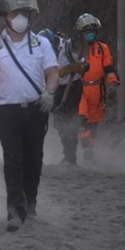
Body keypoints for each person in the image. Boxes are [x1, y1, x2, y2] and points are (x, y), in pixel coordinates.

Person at [0, 0, 59, 232]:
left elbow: (53, 73)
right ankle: (15, 210)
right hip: (7, 113)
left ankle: (30, 201)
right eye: (15, 12)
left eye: (24, 12)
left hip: (36, 110)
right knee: (13, 161)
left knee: (34, 160)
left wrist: (50, 92)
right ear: (5, 16)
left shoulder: (41, 43)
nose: (20, 17)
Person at [39, 29, 89, 166]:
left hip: (72, 86)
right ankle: (67, 154)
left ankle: (70, 157)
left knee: (70, 120)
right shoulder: (37, 51)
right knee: (59, 121)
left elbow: (86, 64)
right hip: (56, 87)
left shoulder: (69, 47)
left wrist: (80, 68)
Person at [74, 13, 120, 161]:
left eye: (92, 32)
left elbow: (108, 67)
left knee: (93, 124)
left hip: (97, 91)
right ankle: (86, 147)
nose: (90, 35)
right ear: (80, 33)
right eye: (87, 32)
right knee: (81, 119)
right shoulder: (75, 48)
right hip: (80, 89)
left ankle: (91, 148)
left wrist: (112, 82)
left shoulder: (103, 48)